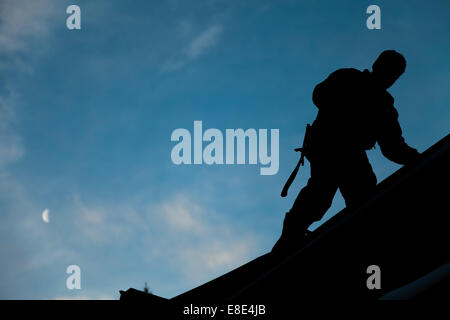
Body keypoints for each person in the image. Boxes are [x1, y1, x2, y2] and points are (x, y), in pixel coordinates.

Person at [272, 50, 420, 253]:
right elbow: (319, 94)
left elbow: (392, 146)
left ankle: (360, 238)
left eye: (395, 73)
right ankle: (290, 237)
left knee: (362, 192)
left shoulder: (384, 106)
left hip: (347, 151)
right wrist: (347, 109)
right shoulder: (348, 78)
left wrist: (415, 159)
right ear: (377, 65)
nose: (390, 76)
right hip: (328, 144)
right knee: (322, 193)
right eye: (389, 69)